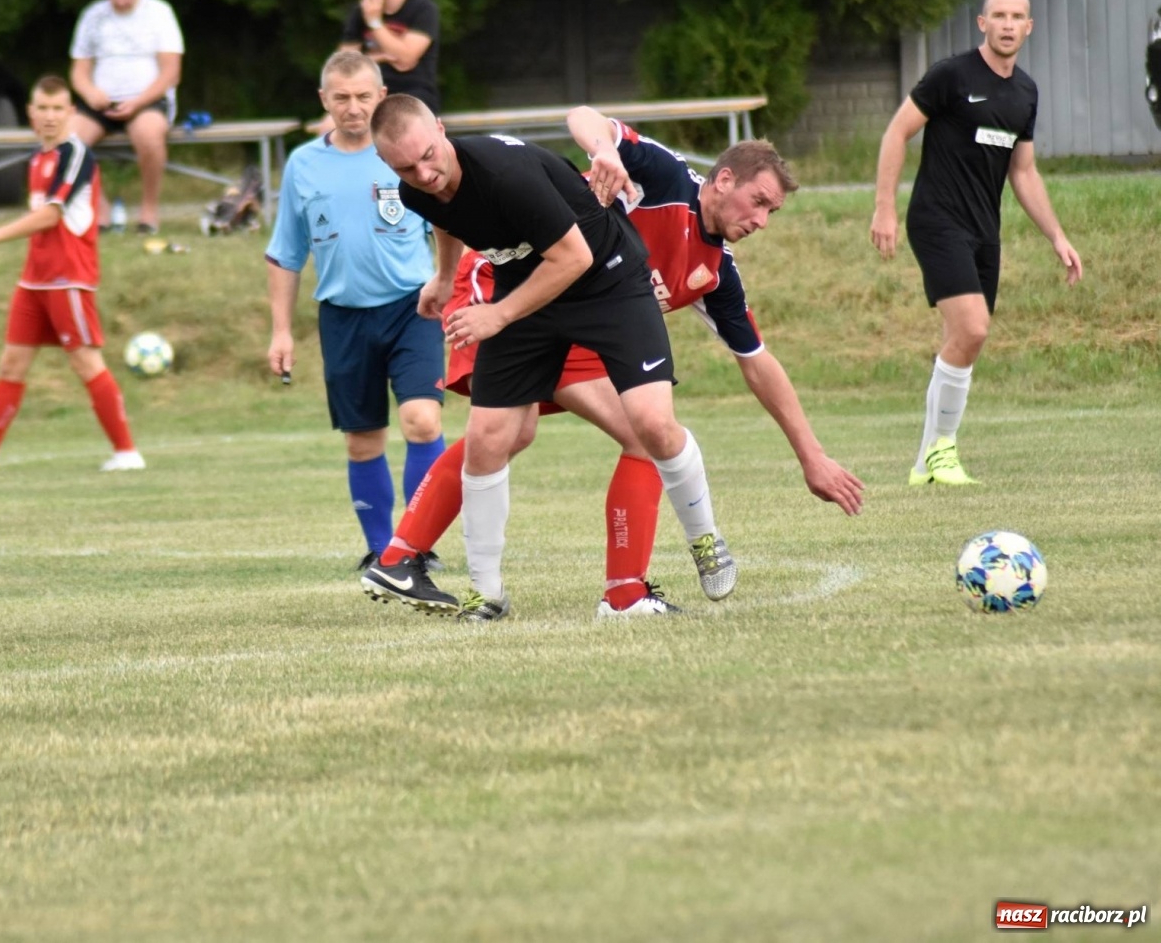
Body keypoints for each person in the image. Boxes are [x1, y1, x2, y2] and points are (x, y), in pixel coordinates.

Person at [371, 115, 865, 620]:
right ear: (723, 180)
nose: (761, 220)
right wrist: (605, 150)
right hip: (511, 285)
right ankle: (420, 561)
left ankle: (628, 585)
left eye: (771, 211)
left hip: (592, 299)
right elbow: (583, 119)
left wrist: (812, 456)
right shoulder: (665, 178)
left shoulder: (716, 270)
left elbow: (758, 364)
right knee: (504, 433)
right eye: (758, 202)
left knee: (629, 429)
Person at [870, 0, 1082, 486]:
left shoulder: (1025, 92)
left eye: (1017, 17)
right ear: (983, 23)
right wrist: (884, 208)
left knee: (963, 340)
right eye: (998, 15)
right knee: (973, 329)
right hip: (937, 220)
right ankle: (942, 452)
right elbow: (897, 132)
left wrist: (1057, 236)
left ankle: (925, 463)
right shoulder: (952, 75)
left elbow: (1023, 172)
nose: (1008, 24)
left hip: (985, 230)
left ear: (1028, 27)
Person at [266, 52, 446, 571]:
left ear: (382, 97)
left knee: (421, 420)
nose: (353, 107)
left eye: (364, 96)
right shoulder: (304, 164)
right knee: (363, 439)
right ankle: (381, 551)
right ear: (324, 100)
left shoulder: (405, 153)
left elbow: (447, 225)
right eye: (341, 97)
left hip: (413, 307)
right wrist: (281, 331)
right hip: (343, 316)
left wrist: (450, 284)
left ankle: (417, 544)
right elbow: (286, 253)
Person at [0, 76, 142, 476]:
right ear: (31, 113)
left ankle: (127, 452)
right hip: (34, 280)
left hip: (67, 278)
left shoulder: (76, 154)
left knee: (86, 363)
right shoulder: (38, 158)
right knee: (11, 364)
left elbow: (51, 216)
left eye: (58, 109)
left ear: (71, 113)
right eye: (43, 108)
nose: (50, 116)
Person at [68, 0, 185, 236]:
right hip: (101, 102)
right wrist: (90, 93)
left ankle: (148, 211)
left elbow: (171, 72)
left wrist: (138, 101)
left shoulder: (160, 13)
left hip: (147, 101)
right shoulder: (92, 15)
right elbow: (79, 71)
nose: (120, 1)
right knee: (67, 140)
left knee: (148, 135)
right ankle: (100, 209)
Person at [339, 0, 441, 113]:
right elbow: (344, 65)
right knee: (331, 123)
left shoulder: (423, 9)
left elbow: (406, 59)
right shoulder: (359, 12)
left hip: (413, 95)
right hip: (368, 95)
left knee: (393, 119)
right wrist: (380, 56)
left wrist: (374, 22)